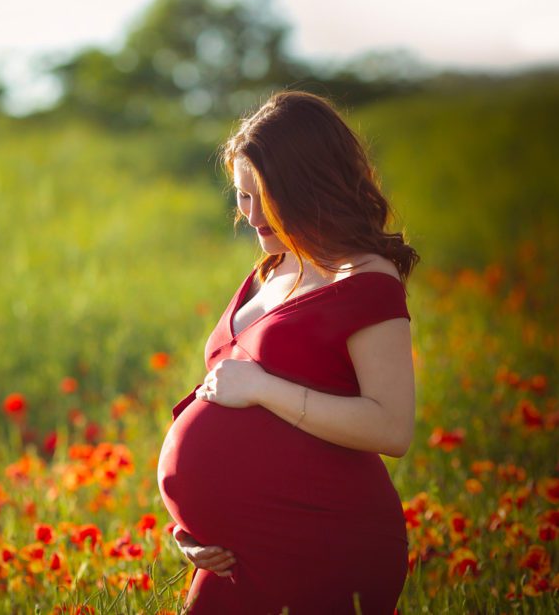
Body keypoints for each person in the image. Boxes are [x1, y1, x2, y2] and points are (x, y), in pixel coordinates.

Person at [157, 90, 420, 614]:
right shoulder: (272, 269)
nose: (251, 215)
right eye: (242, 195)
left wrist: (262, 388)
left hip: (321, 542)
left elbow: (392, 427)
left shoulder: (366, 279)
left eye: (265, 196)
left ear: (309, 186)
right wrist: (190, 525)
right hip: (237, 554)